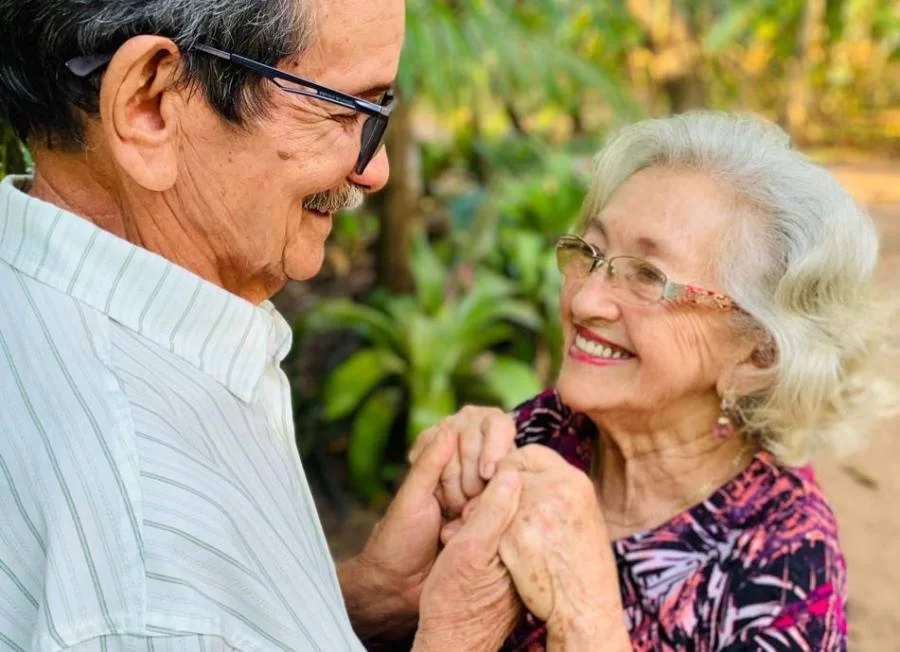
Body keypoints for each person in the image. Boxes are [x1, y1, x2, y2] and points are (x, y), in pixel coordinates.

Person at [0, 1, 524, 649]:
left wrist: (359, 600)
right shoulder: (152, 561)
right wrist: (459, 636)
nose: (373, 168)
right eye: (344, 108)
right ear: (150, 105)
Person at [412, 112, 894, 651]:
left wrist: (585, 614)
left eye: (647, 277)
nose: (586, 300)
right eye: (591, 255)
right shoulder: (550, 429)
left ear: (758, 353)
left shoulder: (784, 564)